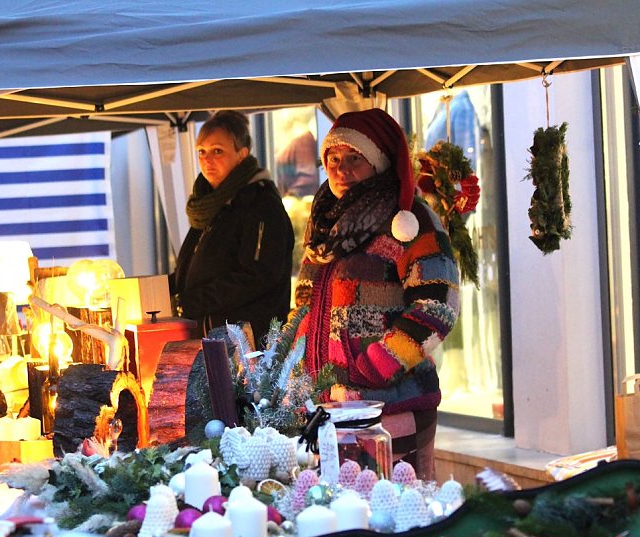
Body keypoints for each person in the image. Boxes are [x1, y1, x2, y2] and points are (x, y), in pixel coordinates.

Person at [293, 108, 460, 479]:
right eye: (333, 159)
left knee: (401, 512)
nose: (341, 168)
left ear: (379, 162)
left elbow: (437, 306)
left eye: (355, 158)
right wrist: (291, 371)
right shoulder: (325, 227)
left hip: (393, 406)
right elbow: (304, 307)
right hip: (330, 408)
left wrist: (375, 365)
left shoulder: (409, 219)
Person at [170, 110, 294, 345]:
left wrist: (188, 302)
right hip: (208, 337)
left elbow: (258, 275)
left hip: (246, 347)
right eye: (201, 152)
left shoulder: (260, 204)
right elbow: (189, 272)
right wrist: (156, 294)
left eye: (218, 151)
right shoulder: (209, 204)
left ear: (242, 154)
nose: (207, 160)